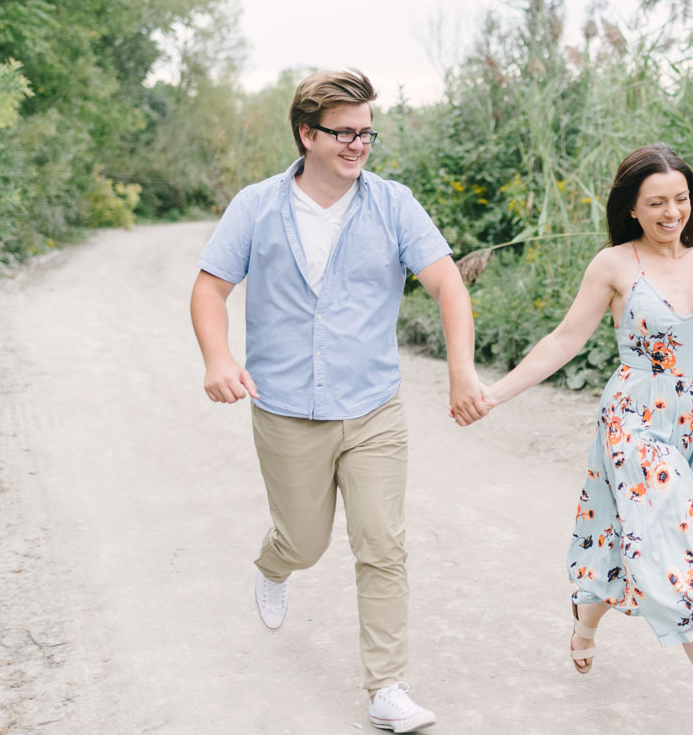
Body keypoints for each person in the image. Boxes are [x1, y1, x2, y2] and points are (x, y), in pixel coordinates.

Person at [481, 144, 693, 735]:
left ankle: (586, 622)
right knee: (680, 550)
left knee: (629, 537)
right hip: (636, 421)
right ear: (631, 208)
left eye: (681, 199)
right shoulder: (614, 264)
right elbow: (564, 340)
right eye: (656, 203)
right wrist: (496, 393)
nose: (672, 213)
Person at [190, 69, 486, 733]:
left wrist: (461, 372)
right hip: (286, 408)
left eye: (366, 133)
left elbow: (448, 285)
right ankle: (274, 564)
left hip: (373, 408)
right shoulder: (258, 206)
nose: (358, 145)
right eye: (344, 133)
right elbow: (210, 290)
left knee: (382, 543)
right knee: (305, 539)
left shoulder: (394, 204)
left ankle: (387, 687)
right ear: (307, 133)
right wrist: (218, 358)